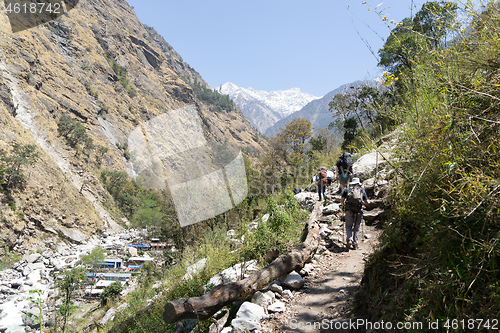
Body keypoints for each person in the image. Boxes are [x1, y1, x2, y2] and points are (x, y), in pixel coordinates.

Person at [340, 178, 369, 250]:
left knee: (348, 225)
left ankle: (349, 239)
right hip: (358, 211)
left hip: (349, 210)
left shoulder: (347, 190)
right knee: (357, 227)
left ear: (352, 183)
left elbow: (341, 201)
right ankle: (355, 243)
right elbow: (367, 202)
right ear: (358, 184)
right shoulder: (362, 191)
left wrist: (344, 206)